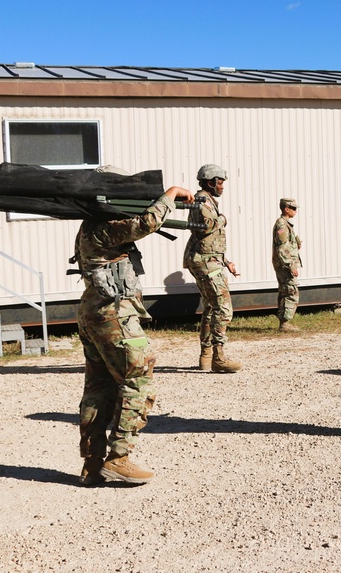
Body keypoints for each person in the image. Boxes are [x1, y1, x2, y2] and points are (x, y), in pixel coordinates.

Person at [74, 168, 194, 486]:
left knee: (99, 389)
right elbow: (146, 224)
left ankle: (93, 464)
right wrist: (170, 195)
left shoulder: (89, 225)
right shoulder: (106, 224)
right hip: (114, 315)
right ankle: (119, 458)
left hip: (93, 313)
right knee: (138, 380)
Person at [183, 164, 242, 373]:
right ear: (210, 182)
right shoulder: (202, 201)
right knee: (224, 308)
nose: (223, 186)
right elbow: (207, 226)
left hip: (209, 259)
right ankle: (219, 357)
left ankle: (206, 356)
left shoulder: (206, 200)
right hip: (205, 262)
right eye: (220, 182)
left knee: (211, 306)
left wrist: (226, 261)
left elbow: (208, 239)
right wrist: (223, 219)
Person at [272, 198, 302, 332]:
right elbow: (282, 249)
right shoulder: (282, 225)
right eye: (293, 208)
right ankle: (285, 323)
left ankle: (284, 322)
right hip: (285, 265)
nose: (295, 211)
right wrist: (291, 265)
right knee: (291, 291)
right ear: (286, 209)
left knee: (285, 291)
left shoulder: (286, 224)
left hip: (284, 263)